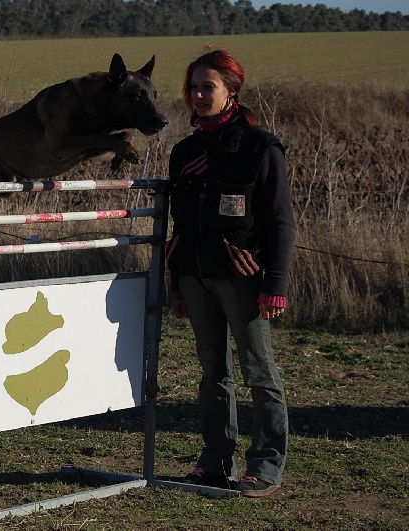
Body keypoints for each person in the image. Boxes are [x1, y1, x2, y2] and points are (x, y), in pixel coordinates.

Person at [165, 48, 296, 498]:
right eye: (193, 88)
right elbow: (180, 226)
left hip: (244, 279)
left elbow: (281, 221)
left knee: (259, 370)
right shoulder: (184, 152)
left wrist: (275, 285)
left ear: (232, 91)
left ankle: (266, 464)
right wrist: (176, 285)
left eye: (209, 87)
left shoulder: (261, 147)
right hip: (194, 278)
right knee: (212, 373)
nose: (199, 95)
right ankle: (216, 459)